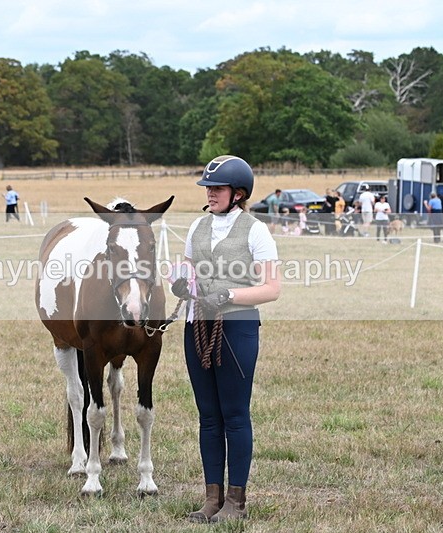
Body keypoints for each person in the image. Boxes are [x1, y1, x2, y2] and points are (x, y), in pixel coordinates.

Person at [170, 155, 281, 524]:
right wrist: (180, 280)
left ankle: (236, 501)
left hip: (237, 327)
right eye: (208, 188)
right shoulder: (197, 227)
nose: (210, 193)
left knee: (235, 415)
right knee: (208, 416)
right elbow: (186, 265)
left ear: (238, 193)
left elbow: (272, 288)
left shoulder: (255, 230)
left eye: (217, 188)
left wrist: (230, 295)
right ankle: (211, 497)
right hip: (197, 324)